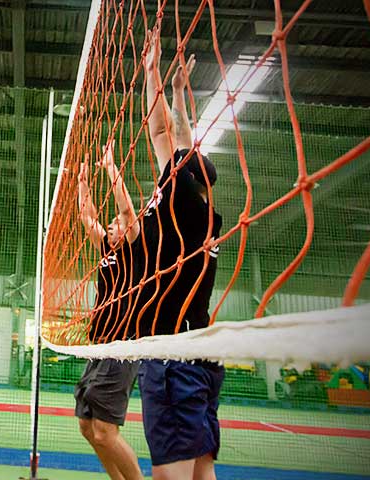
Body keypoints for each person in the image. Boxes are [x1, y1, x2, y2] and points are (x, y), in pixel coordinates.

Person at [134, 26, 225, 480]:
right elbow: (180, 138)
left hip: (174, 354)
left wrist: (155, 77)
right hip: (201, 352)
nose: (169, 160)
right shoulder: (203, 213)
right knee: (201, 472)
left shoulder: (182, 205)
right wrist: (173, 89)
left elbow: (163, 132)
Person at [74, 144, 144, 480]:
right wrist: (82, 182)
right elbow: (87, 216)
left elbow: (129, 213)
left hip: (124, 345)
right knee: (88, 428)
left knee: (105, 431)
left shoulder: (135, 252)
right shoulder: (106, 250)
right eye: (112, 223)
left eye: (116, 222)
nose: (113, 225)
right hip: (100, 345)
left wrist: (111, 167)